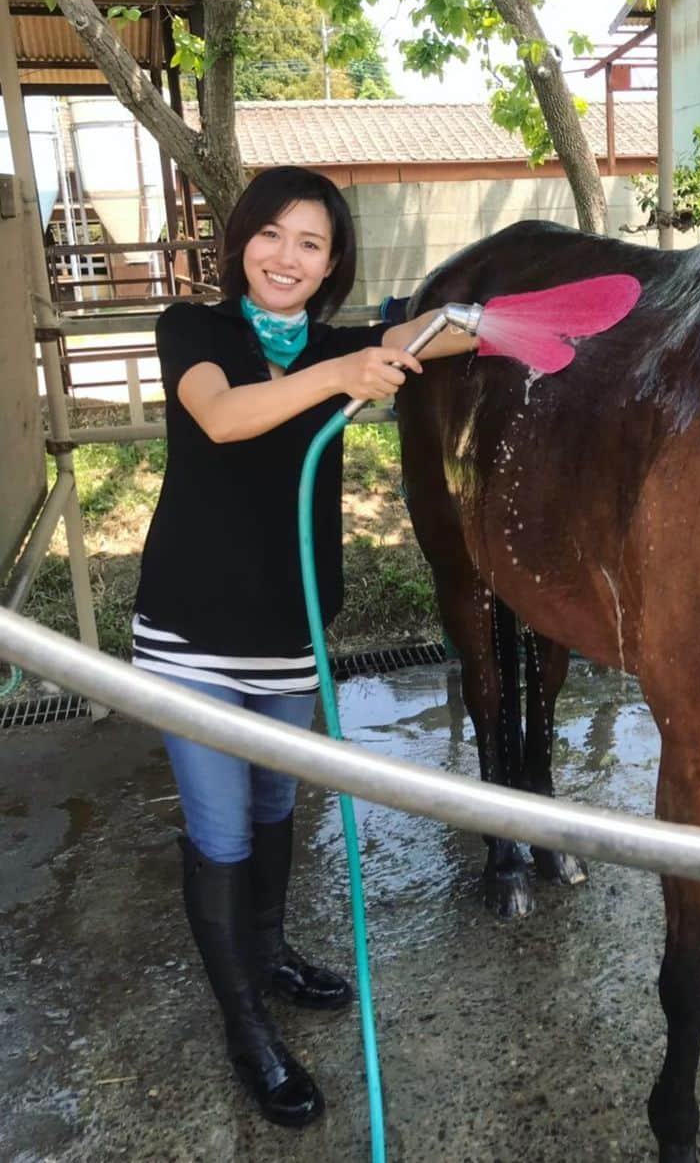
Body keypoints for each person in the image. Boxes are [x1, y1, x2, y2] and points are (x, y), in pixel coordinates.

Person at [133, 166, 475, 1128]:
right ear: (242, 240)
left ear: (333, 263)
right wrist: (337, 376)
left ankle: (271, 954)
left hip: (290, 633)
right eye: (272, 235)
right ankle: (247, 1031)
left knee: (278, 805)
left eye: (311, 243)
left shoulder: (341, 343)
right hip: (191, 636)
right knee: (224, 831)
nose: (287, 257)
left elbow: (415, 338)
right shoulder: (194, 331)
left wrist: (479, 315)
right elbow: (223, 414)